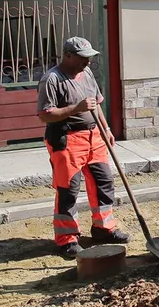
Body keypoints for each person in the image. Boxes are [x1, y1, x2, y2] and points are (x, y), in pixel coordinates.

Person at [36, 36, 129, 258]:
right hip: (67, 139)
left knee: (103, 181)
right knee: (68, 189)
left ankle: (103, 229)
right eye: (83, 58)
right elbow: (44, 115)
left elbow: (95, 104)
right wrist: (75, 108)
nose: (87, 62)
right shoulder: (51, 80)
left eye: (89, 58)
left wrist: (106, 129)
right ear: (68, 56)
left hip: (94, 136)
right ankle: (67, 239)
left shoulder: (86, 73)